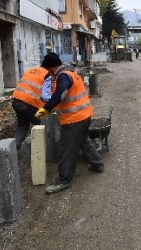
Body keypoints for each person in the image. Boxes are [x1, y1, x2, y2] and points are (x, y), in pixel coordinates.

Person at [35, 61, 104, 195]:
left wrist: (42, 112)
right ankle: (97, 163)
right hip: (84, 115)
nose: (48, 73)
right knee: (83, 141)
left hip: (74, 119)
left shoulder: (63, 76)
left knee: (66, 149)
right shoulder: (71, 73)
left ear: (52, 67)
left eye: (48, 70)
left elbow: (59, 94)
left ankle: (64, 180)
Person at [11, 53, 61, 151]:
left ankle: (11, 151)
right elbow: (45, 96)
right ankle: (47, 151)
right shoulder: (47, 75)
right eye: (57, 67)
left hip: (16, 101)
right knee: (45, 122)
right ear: (52, 66)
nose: (57, 70)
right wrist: (56, 98)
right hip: (29, 104)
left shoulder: (30, 71)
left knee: (22, 127)